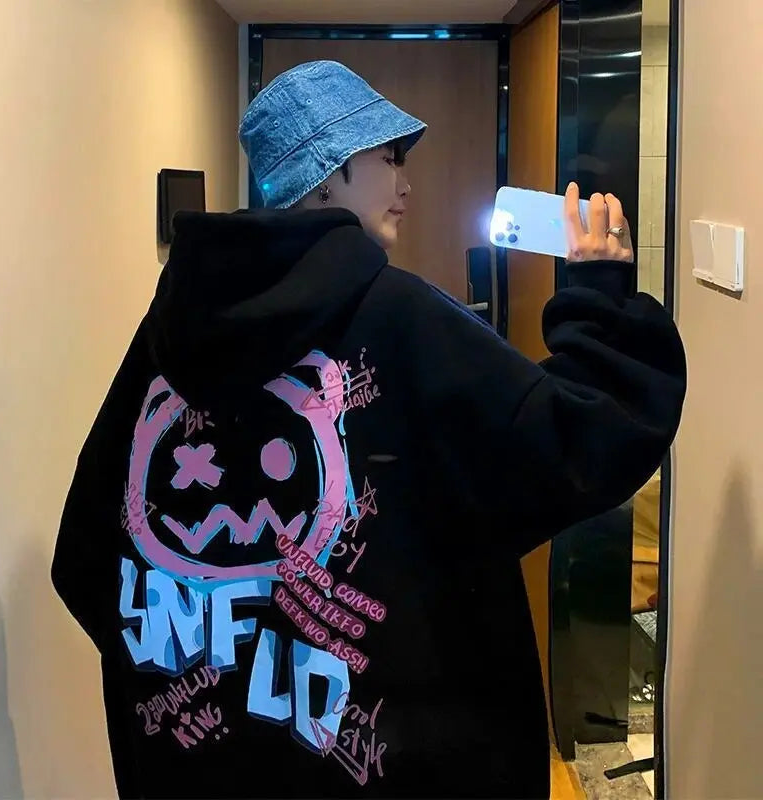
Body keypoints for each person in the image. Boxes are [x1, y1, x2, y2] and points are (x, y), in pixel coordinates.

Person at [52, 60, 686, 800]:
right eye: (389, 158)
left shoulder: (165, 336)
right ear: (328, 175)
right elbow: (579, 442)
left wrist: (214, 657)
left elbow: (84, 560)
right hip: (400, 765)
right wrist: (600, 294)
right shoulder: (400, 315)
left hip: (200, 771)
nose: (406, 184)